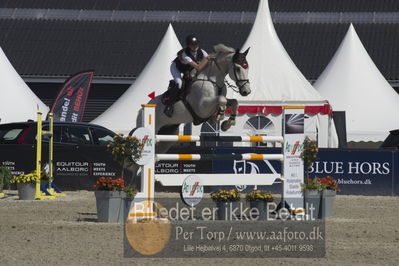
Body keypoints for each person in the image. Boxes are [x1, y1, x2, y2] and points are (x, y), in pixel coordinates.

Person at [164, 34, 211, 117]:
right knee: (179, 84)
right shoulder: (184, 55)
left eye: (196, 44)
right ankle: (169, 106)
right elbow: (198, 67)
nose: (195, 47)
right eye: (193, 45)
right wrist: (206, 59)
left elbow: (209, 61)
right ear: (188, 46)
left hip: (188, 69)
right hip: (177, 68)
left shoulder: (202, 51)